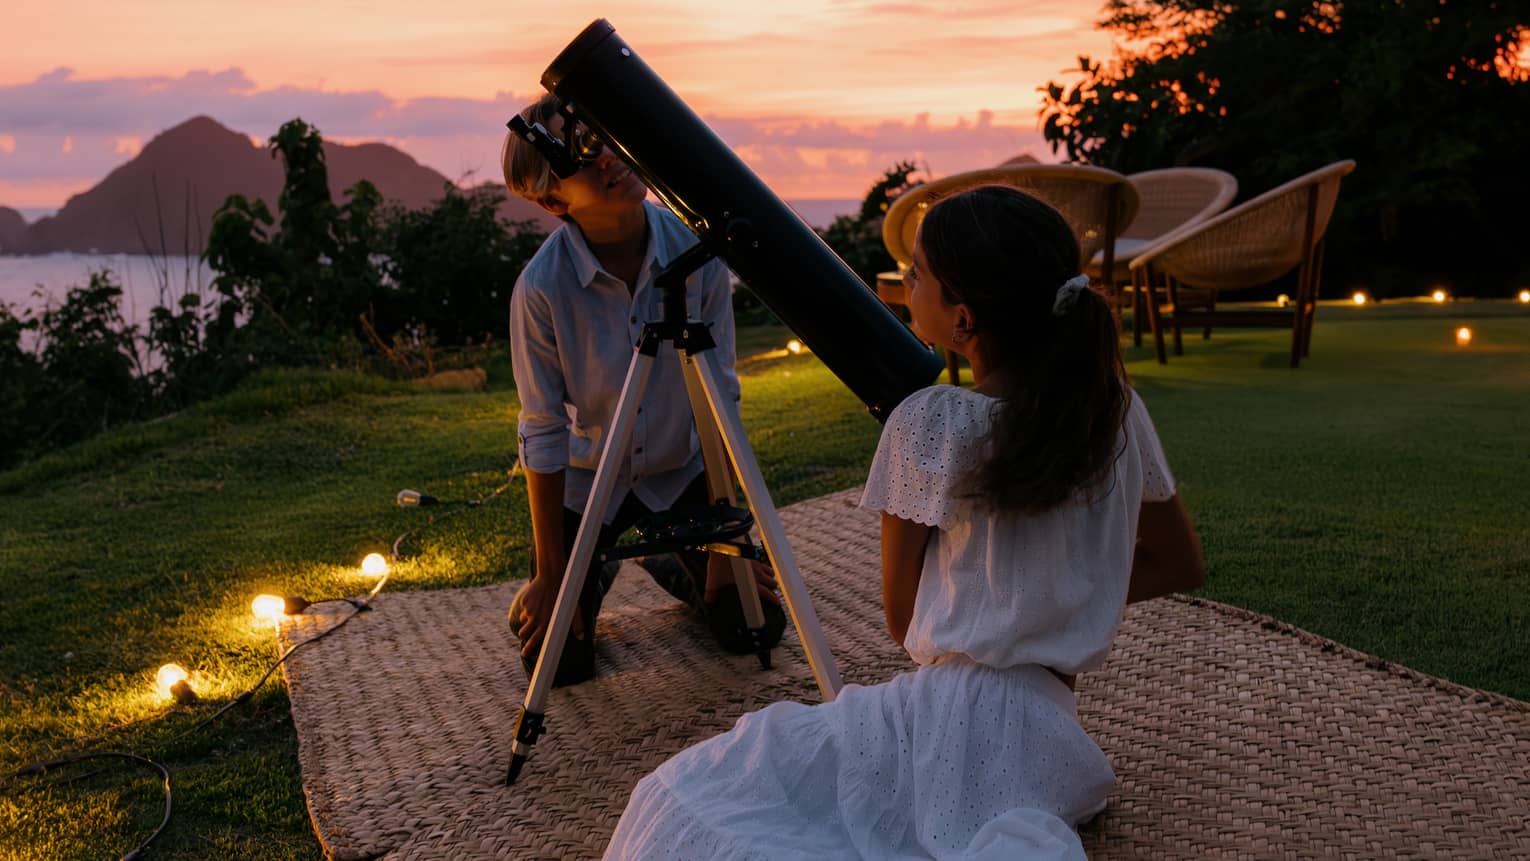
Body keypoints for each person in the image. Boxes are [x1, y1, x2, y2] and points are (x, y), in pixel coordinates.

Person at [603, 185, 1206, 859]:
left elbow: (901, 616)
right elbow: (1180, 561)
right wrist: (1058, 598)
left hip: (947, 716)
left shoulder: (930, 424)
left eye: (915, 274)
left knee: (688, 791)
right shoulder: (1115, 408)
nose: (901, 284)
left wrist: (1021, 601)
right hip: (1049, 739)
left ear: (963, 319)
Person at [503, 94, 784, 687]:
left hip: (679, 473)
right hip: (590, 480)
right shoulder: (541, 289)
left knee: (752, 625)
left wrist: (723, 537)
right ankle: (583, 572)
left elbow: (718, 397)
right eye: (580, 151)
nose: (607, 156)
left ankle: (667, 555)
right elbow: (542, 431)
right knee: (560, 663)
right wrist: (552, 574)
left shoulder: (696, 255)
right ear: (554, 199)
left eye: (604, 136)